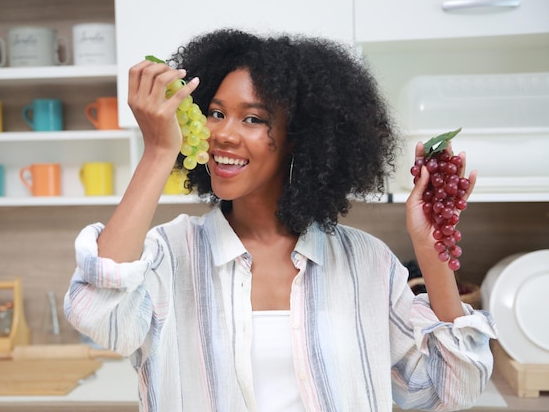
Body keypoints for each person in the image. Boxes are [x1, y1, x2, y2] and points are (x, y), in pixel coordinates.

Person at [64, 28, 497, 412]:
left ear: (302, 140)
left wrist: (432, 245)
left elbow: (448, 389)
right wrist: (159, 150)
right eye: (215, 113)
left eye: (253, 119)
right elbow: (100, 316)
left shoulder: (367, 264)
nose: (224, 134)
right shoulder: (167, 255)